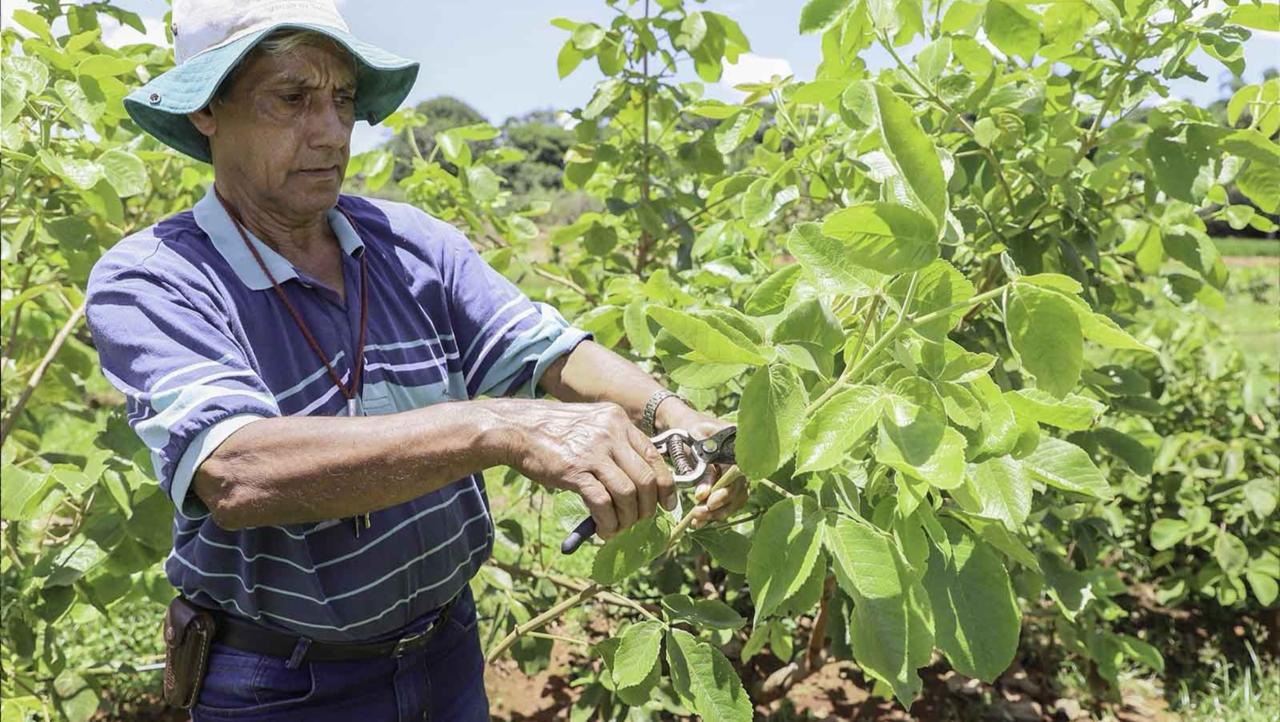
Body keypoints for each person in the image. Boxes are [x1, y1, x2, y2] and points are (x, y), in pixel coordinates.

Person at [84, 1, 747, 720]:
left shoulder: (408, 242)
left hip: (445, 646)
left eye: (341, 99)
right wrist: (499, 427)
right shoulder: (156, 277)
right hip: (285, 682)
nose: (331, 131)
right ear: (207, 111)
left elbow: (549, 352)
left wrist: (678, 419)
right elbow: (238, 472)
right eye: (293, 98)